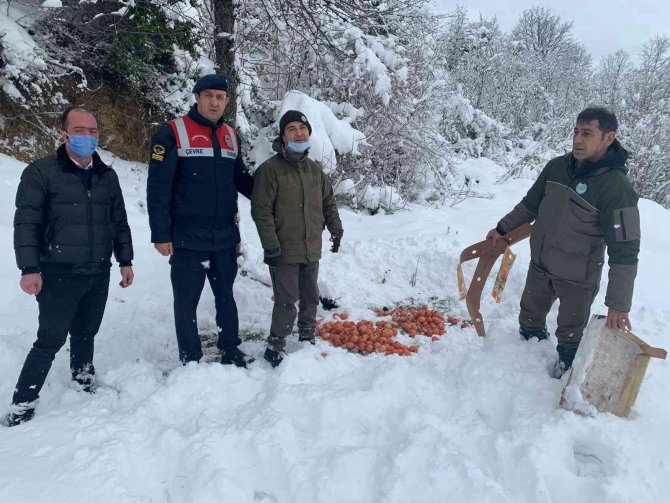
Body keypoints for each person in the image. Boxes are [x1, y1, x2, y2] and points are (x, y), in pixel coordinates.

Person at [487, 106, 640, 378]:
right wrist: (501, 229)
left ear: (608, 138)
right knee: (529, 322)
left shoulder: (617, 189)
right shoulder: (557, 166)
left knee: (570, 337)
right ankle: (521, 370)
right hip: (540, 266)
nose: (578, 140)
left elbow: (624, 251)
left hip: (577, 278)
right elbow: (529, 205)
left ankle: (564, 378)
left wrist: (618, 304)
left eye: (588, 134)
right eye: (576, 132)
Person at [5, 106, 134, 427]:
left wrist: (125, 260)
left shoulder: (107, 175)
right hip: (57, 271)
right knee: (49, 339)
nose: (87, 137)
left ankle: (83, 375)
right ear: (63, 134)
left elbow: (119, 221)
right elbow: (26, 224)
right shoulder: (41, 173)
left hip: (98, 269)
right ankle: (22, 403)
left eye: (93, 131)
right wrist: (29, 268)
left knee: (86, 331)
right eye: (79, 131)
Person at [147, 74, 254, 367]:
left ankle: (230, 349)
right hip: (187, 237)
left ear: (227, 101)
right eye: (208, 95)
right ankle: (191, 357)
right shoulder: (173, 132)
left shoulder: (231, 135)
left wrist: (274, 195)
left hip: (224, 236)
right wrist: (160, 233)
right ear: (197, 97)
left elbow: (241, 179)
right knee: (186, 302)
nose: (214, 101)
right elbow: (158, 187)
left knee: (225, 297)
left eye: (220, 97)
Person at [251, 110, 343, 367]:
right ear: (283, 135)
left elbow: (328, 204)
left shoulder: (314, 171)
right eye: (291, 128)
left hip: (311, 247)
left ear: (309, 133)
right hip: (283, 249)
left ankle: (306, 335)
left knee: (310, 297)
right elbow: (261, 212)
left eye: (302, 128)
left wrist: (336, 228)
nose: (298, 133)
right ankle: (276, 344)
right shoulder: (270, 171)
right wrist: (270, 245)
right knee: (286, 301)